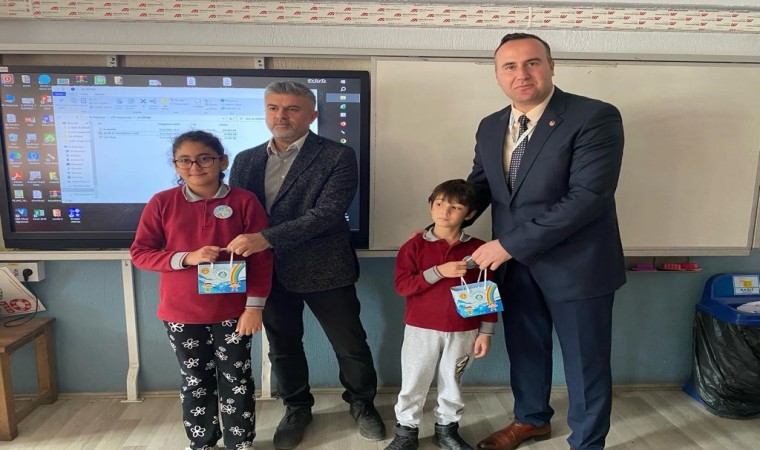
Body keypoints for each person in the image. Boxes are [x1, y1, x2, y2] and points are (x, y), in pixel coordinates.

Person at [467, 33, 626, 450]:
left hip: (578, 266)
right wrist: (444, 223)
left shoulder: (594, 116)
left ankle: (587, 442)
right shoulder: (490, 125)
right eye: (510, 66)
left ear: (551, 66)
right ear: (497, 75)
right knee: (526, 350)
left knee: (585, 362)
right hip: (516, 268)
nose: (521, 74)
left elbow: (587, 197)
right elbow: (481, 186)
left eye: (532, 63)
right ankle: (531, 420)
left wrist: (507, 245)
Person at [227, 80, 385, 449]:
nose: (281, 116)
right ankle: (297, 407)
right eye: (273, 108)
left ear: (312, 114)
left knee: (350, 344)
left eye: (292, 109)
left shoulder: (337, 156)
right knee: (283, 346)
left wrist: (266, 238)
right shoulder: (246, 159)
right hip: (268, 271)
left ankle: (362, 404)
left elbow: (328, 213)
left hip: (325, 267)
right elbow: (236, 214)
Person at [130, 130, 273, 450]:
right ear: (176, 165)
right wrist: (186, 258)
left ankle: (240, 442)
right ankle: (202, 442)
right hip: (181, 313)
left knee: (236, 378)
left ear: (223, 161)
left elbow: (262, 258)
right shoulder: (162, 202)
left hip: (234, 312)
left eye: (204, 158)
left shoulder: (244, 201)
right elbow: (140, 254)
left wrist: (254, 307)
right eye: (184, 160)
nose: (194, 166)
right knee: (195, 380)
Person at [386, 179, 497, 450]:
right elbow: (402, 286)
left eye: (455, 207)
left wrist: (486, 332)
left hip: (464, 331)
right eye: (439, 204)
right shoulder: (414, 246)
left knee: (453, 381)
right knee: (414, 381)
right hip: (421, 329)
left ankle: (447, 429)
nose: (445, 211)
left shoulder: (478, 249)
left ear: (469, 214)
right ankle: (406, 432)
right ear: (430, 206)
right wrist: (439, 272)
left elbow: (487, 291)